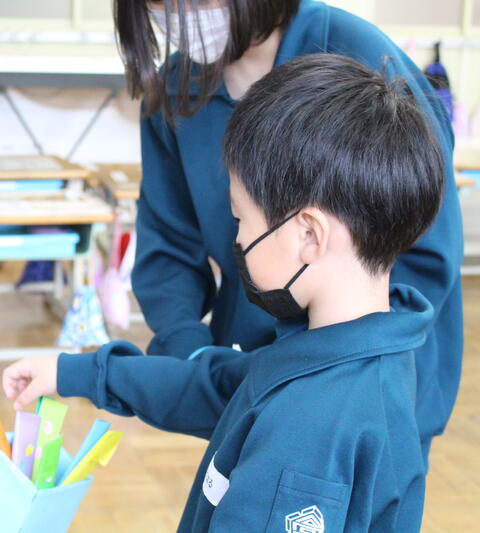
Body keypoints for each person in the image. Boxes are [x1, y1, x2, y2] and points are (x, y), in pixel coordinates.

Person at [3, 54, 443, 532]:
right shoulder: (350, 350)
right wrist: (76, 373)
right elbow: (211, 387)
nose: (237, 239)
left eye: (241, 218)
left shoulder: (307, 428)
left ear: (309, 235)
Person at [114, 0, 463, 462]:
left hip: (364, 380)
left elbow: (426, 248)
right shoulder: (177, 89)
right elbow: (168, 246)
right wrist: (191, 354)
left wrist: (327, 371)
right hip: (250, 375)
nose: (179, 13)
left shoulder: (354, 54)